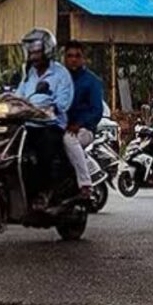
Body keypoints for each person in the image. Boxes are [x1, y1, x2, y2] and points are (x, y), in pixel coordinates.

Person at [15, 29, 75, 203]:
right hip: (29, 125)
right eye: (31, 51)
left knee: (43, 153)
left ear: (47, 51)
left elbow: (64, 101)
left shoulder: (61, 74)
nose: (33, 55)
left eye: (37, 51)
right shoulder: (29, 75)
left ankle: (46, 192)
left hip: (50, 125)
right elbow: (19, 96)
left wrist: (52, 107)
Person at [63, 40, 102, 197]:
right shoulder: (60, 79)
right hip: (60, 126)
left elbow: (97, 111)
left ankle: (85, 184)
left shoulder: (92, 81)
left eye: (77, 56)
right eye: (69, 56)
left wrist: (79, 124)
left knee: (69, 139)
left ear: (83, 58)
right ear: (64, 58)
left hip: (84, 130)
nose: (73, 59)